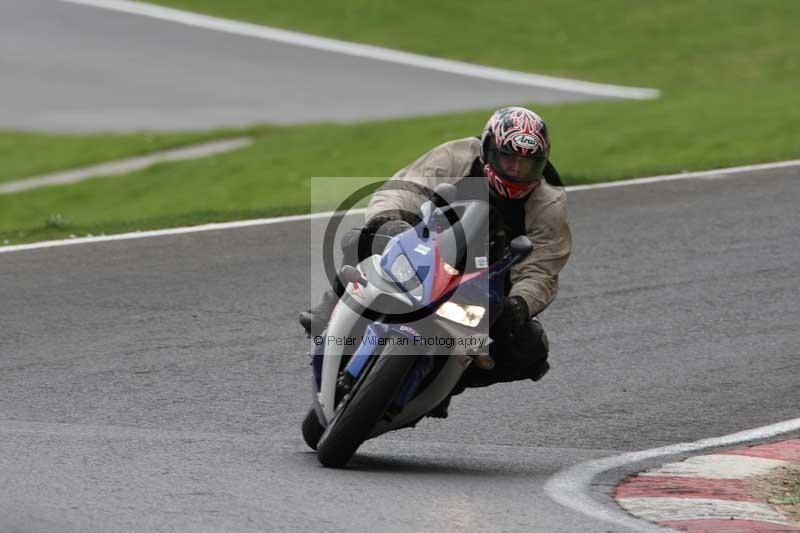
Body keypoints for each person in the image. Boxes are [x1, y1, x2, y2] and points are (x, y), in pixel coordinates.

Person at [299, 106, 572, 417]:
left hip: (488, 281)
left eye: (528, 164)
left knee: (529, 349)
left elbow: (543, 267)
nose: (517, 170)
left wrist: (521, 303)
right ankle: (327, 311)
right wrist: (389, 222)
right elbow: (407, 187)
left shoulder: (549, 202)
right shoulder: (458, 155)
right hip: (427, 245)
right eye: (509, 159)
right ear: (488, 150)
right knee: (361, 239)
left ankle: (449, 382)